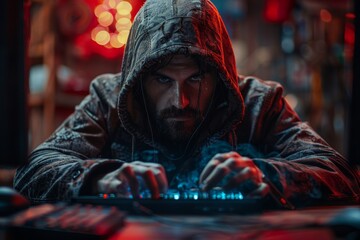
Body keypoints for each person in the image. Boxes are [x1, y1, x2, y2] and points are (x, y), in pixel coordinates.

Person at [15, 0, 359, 205]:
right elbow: (34, 171)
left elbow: (339, 175)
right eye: (162, 79)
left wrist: (266, 175)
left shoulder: (258, 102)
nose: (179, 100)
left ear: (221, 76)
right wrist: (101, 179)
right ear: (137, 80)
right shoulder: (109, 99)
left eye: (196, 78)